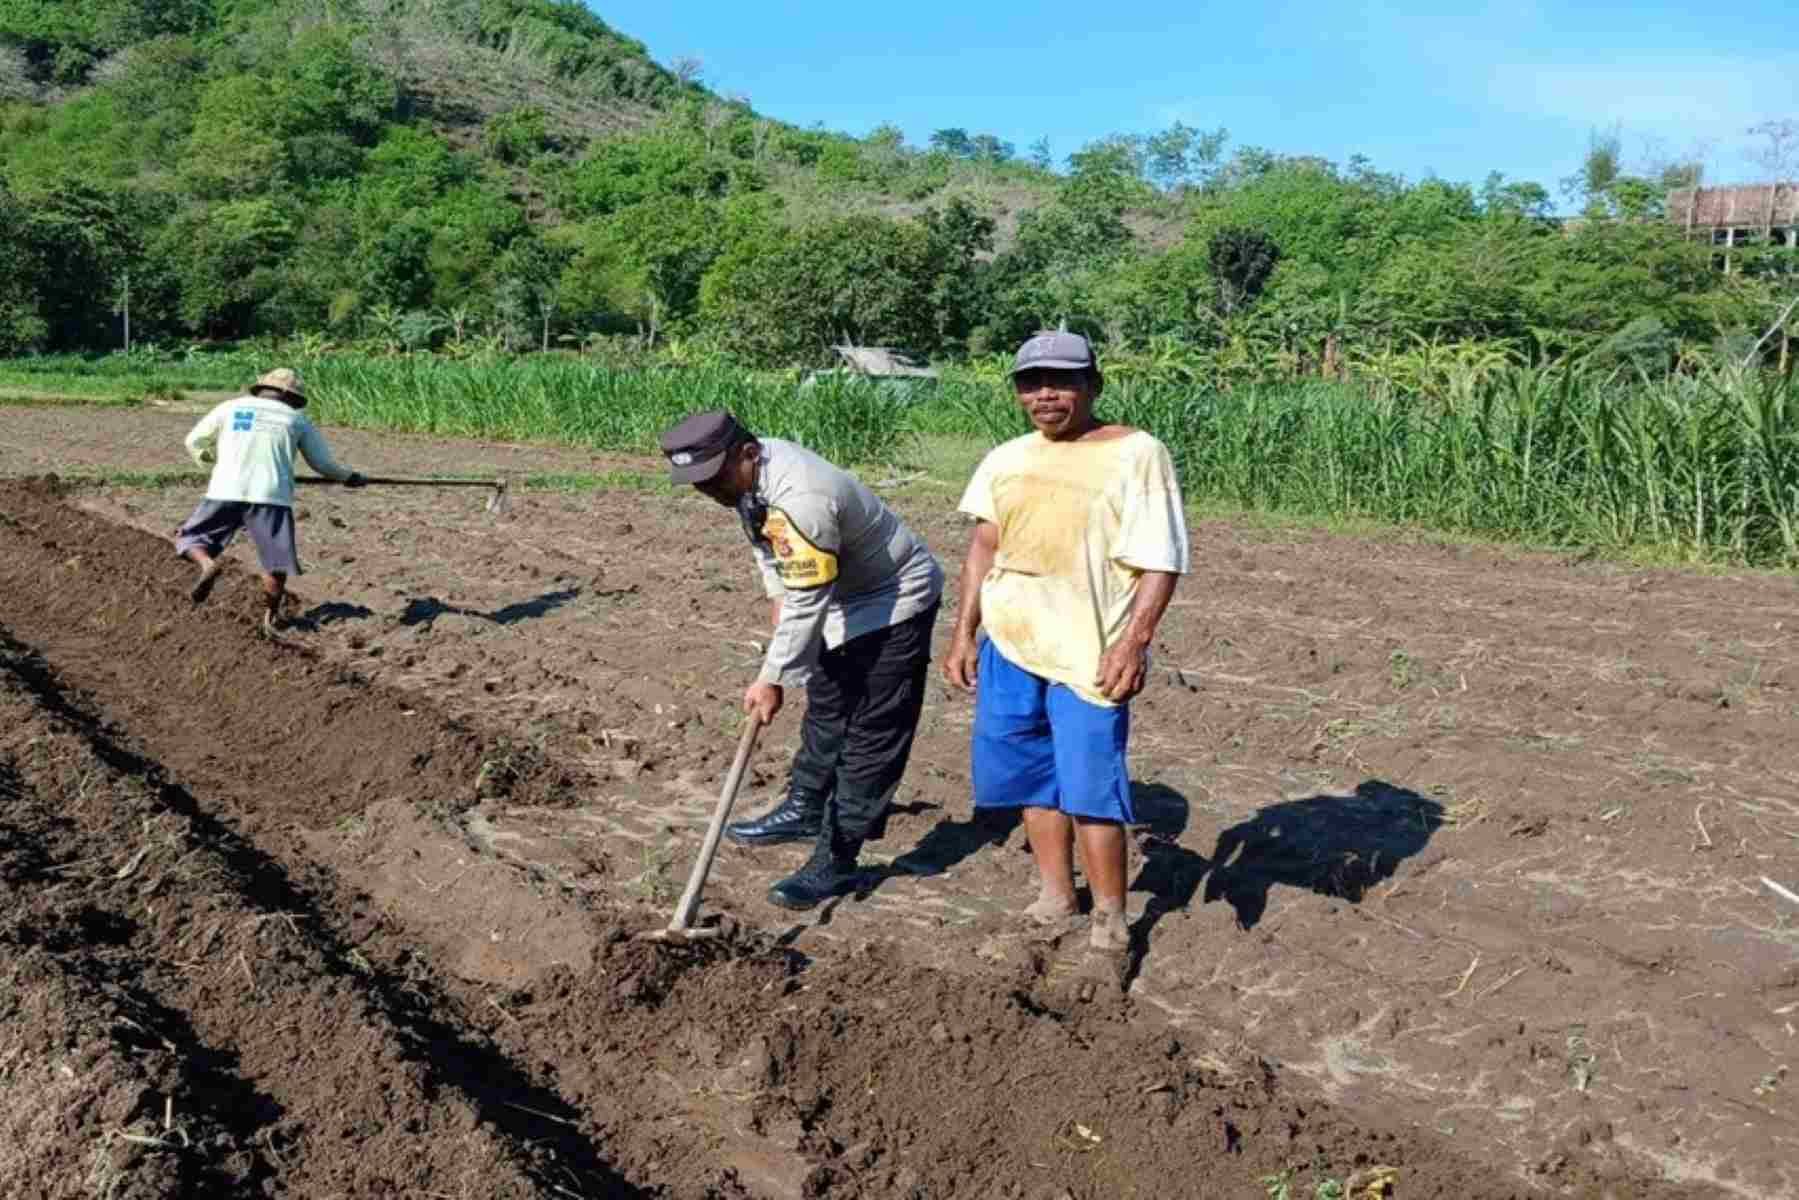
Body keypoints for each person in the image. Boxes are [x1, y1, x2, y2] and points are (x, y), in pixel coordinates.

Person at [942, 331, 1189, 956]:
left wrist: (1134, 642)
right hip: (1011, 644)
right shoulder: (1006, 458)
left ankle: (1111, 919)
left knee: (1090, 789)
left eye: (1061, 380)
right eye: (1031, 383)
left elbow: (1161, 560)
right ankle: (1057, 896)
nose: (1044, 394)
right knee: (1031, 780)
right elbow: (983, 549)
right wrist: (963, 632)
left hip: (1090, 651)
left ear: (1093, 386)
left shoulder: (1138, 453)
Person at [658, 410, 943, 910]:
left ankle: (836, 859)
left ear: (748, 453)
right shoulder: (746, 480)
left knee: (872, 733)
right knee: (828, 709)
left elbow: (808, 595)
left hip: (891, 600)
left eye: (713, 477)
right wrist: (782, 630)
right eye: (697, 483)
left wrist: (773, 676)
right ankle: (805, 807)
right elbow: (771, 554)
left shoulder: (802, 496)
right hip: (837, 600)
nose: (708, 490)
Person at [174, 367, 364, 631]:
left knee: (191, 538)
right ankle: (269, 620)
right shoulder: (296, 420)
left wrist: (210, 461)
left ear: (263, 389)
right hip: (272, 495)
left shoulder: (230, 407)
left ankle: (207, 564)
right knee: (276, 562)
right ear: (290, 397)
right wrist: (349, 477)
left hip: (225, 488)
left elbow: (193, 440)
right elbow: (322, 464)